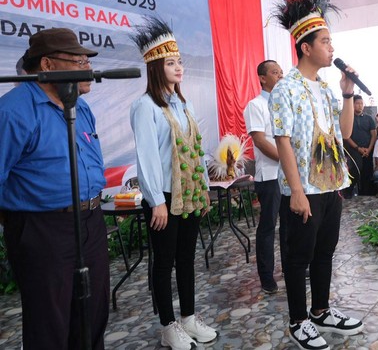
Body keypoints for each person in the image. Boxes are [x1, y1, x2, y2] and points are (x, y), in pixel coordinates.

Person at [0, 28, 109, 349]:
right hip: (42, 230)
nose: (86, 67)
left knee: (93, 316)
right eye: (76, 61)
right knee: (50, 324)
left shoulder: (81, 107)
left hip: (90, 222)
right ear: (46, 64)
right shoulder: (13, 112)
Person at [271, 0, 364, 350]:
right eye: (325, 41)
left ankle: (322, 310)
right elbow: (283, 142)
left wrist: (347, 94)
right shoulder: (286, 88)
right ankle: (298, 320)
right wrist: (296, 191)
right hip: (304, 190)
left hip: (330, 187)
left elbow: (343, 133)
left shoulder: (326, 88)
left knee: (325, 252)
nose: (331, 48)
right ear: (306, 47)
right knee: (298, 257)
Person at [129, 17, 217, 349]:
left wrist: (204, 186)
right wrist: (156, 200)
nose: (178, 66)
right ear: (155, 66)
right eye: (170, 62)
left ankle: (190, 319)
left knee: (187, 259)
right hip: (164, 197)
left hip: (190, 194)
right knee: (163, 262)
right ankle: (168, 325)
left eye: (179, 61)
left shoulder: (185, 104)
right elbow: (148, 157)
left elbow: (195, 149)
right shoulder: (145, 107)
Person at [244, 60, 284, 294]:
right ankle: (266, 276)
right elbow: (260, 140)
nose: (280, 76)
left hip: (289, 175)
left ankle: (292, 265)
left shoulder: (284, 105)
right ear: (262, 78)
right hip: (269, 175)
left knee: (291, 224)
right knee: (268, 226)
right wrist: (287, 160)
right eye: (274, 72)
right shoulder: (255, 105)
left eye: (281, 72)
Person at [343, 94, 377, 197]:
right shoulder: (348, 118)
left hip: (367, 150)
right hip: (353, 150)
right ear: (352, 104)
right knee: (355, 170)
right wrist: (358, 148)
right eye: (357, 103)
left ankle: (366, 194)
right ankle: (348, 191)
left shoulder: (369, 118)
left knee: (367, 172)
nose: (360, 105)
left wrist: (369, 149)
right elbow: (346, 136)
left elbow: (374, 134)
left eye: (361, 103)